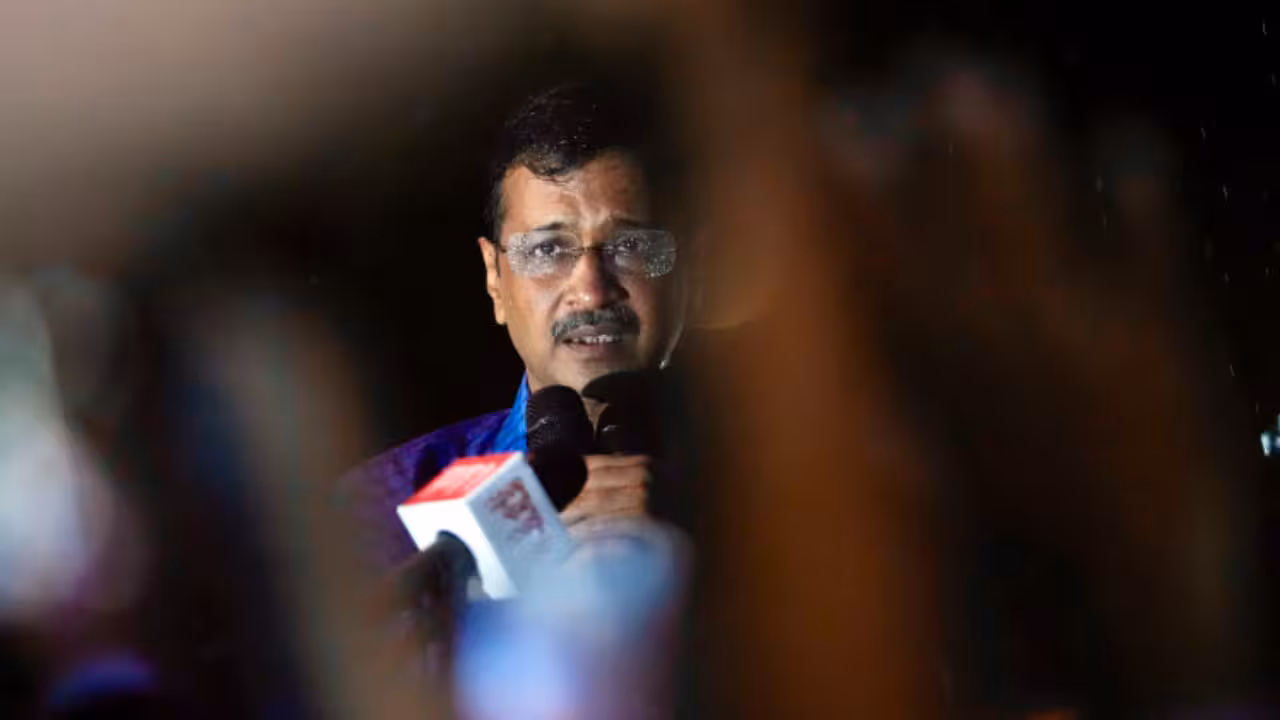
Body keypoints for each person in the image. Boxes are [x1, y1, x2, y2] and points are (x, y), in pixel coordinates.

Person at [340, 82, 693, 573]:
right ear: (494, 279)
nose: (592, 292)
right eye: (548, 250)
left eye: (630, 246)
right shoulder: (379, 514)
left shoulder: (783, 486)